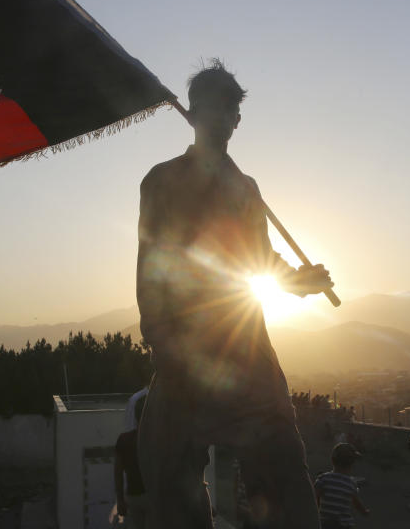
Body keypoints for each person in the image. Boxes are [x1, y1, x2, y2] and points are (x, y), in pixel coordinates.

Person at [136, 59, 334, 528]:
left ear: (237, 120)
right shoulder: (161, 180)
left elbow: (261, 264)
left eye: (231, 110)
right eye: (213, 107)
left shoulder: (247, 189)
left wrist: (301, 283)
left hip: (245, 347)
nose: (223, 117)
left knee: (285, 474)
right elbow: (152, 271)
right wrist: (163, 348)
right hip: (183, 351)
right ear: (193, 111)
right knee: (164, 469)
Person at [313, 443, 370, 529]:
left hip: (325, 523)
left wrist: (316, 512)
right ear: (352, 464)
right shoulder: (351, 483)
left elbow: (314, 497)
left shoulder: (323, 478)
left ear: (332, 460)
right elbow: (356, 502)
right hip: (344, 525)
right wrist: (364, 511)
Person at [115, 396, 148, 528]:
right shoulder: (160, 442)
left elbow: (117, 473)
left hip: (133, 498)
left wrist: (120, 500)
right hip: (154, 499)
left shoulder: (124, 440)